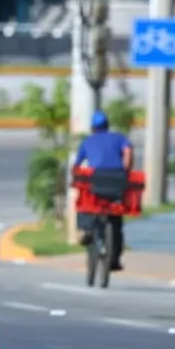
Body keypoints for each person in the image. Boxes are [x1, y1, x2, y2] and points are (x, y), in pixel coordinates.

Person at [71, 109, 133, 271]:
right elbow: (128, 151)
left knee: (85, 204)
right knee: (117, 220)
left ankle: (86, 231)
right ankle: (115, 259)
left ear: (92, 127)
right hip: (117, 182)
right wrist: (126, 170)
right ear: (108, 125)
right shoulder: (118, 138)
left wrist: (75, 176)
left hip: (96, 181)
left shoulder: (87, 141)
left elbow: (77, 164)